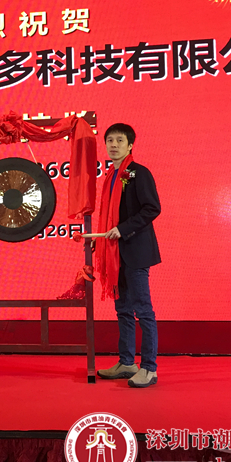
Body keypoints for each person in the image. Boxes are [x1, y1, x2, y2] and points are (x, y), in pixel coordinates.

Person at [95, 123, 161, 388]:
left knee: (142, 310)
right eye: (110, 140)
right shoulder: (110, 176)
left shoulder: (139, 173)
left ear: (130, 145)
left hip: (135, 251)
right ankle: (126, 362)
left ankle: (149, 368)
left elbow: (152, 208)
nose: (113, 145)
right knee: (122, 309)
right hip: (115, 254)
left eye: (119, 140)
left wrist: (123, 229)